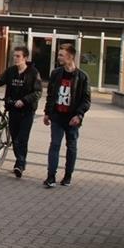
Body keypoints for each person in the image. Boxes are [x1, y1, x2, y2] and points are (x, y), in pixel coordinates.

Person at [0, 46, 42, 178]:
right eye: (14, 56)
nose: (15, 58)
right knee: (15, 138)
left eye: (18, 56)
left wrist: (24, 100)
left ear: (25, 58)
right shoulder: (11, 71)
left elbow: (38, 92)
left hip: (27, 111)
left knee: (22, 139)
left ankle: (20, 165)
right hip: (12, 109)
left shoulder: (33, 73)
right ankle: (17, 159)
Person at [43, 43, 91, 188]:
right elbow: (50, 94)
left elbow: (86, 100)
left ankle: (68, 176)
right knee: (55, 145)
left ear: (70, 57)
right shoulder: (55, 73)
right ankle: (51, 177)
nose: (58, 57)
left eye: (61, 55)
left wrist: (79, 115)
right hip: (57, 116)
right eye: (59, 55)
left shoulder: (82, 77)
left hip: (72, 120)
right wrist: (47, 113)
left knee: (71, 147)